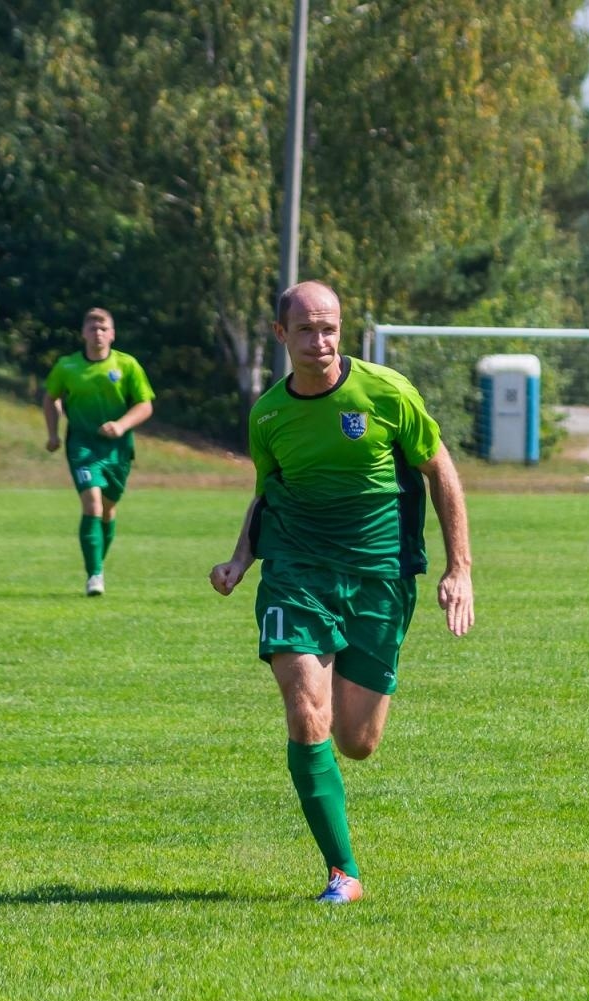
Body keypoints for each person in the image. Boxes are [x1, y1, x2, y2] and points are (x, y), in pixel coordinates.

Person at [208, 281, 473, 904]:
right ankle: (342, 873)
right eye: (305, 330)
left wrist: (459, 566)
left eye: (328, 328)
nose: (319, 341)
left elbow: (440, 470)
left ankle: (341, 857)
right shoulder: (269, 414)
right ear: (282, 336)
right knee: (305, 709)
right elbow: (269, 491)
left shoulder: (386, 392)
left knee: (358, 741)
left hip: (380, 578)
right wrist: (241, 557)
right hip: (297, 575)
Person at [43, 308, 155, 595]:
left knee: (108, 509)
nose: (98, 332)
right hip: (82, 444)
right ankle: (94, 575)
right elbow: (50, 398)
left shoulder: (127, 365)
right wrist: (53, 433)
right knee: (91, 503)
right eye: (92, 327)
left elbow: (145, 405)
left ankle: (98, 565)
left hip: (118, 448)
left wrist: (121, 425)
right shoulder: (67, 367)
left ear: (113, 333)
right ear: (83, 333)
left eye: (103, 327)